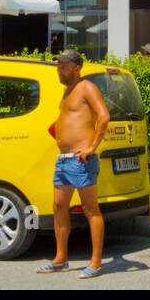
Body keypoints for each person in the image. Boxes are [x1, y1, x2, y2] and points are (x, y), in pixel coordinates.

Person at [37, 50, 109, 278]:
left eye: (64, 65)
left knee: (90, 210)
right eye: (58, 65)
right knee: (58, 208)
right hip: (63, 160)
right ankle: (60, 259)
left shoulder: (86, 87)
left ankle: (96, 262)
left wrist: (91, 147)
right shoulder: (67, 91)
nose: (59, 68)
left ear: (77, 68)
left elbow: (104, 116)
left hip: (81, 160)